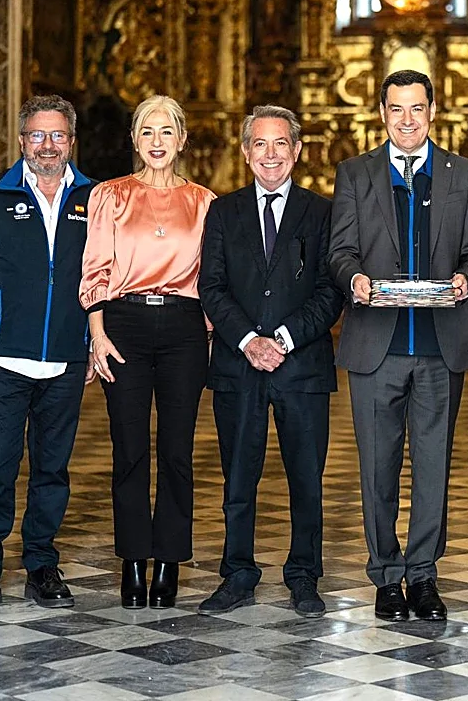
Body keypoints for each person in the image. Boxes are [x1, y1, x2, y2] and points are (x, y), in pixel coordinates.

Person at [329, 70, 468, 622]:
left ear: (433, 110)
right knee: (377, 467)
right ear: (381, 112)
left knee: (432, 464)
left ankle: (423, 576)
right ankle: (385, 576)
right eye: (396, 109)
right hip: (377, 344)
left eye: (416, 108)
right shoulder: (355, 172)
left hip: (441, 345)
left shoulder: (462, 173)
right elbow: (340, 250)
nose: (406, 119)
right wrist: (354, 280)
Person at [0, 95, 97, 615]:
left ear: (70, 142)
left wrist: (93, 344)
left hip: (65, 362)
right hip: (3, 360)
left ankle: (41, 564)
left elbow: (104, 278)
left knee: (53, 470)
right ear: (21, 142)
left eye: (57, 136)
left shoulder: (94, 197)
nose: (48, 145)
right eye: (37, 135)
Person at [197, 106, 343, 618]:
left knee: (307, 478)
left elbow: (331, 292)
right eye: (260, 144)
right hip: (239, 367)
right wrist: (247, 340)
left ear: (297, 151)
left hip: (302, 367)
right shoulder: (224, 211)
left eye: (281, 143)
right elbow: (210, 287)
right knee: (238, 478)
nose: (271, 154)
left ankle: (304, 576)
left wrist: (281, 337)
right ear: (245, 153)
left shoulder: (322, 212)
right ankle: (237, 573)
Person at [80, 94, 215, 610]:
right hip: (124, 325)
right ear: (134, 141)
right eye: (147, 132)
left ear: (181, 140)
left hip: (184, 328)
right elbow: (95, 267)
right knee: (129, 449)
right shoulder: (110, 196)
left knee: (178, 452)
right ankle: (134, 561)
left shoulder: (205, 202)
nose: (157, 142)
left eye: (167, 132)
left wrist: (204, 334)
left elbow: (211, 277)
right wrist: (98, 334)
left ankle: (169, 562)